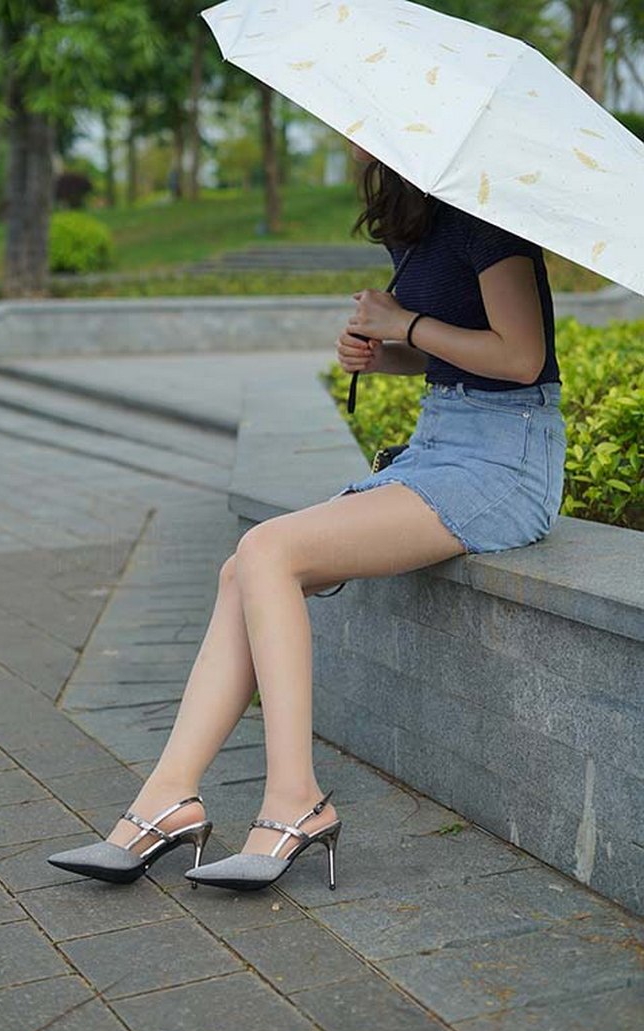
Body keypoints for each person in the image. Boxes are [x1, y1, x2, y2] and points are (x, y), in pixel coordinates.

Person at [47, 142, 567, 893]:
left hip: (505, 461)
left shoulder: (486, 214)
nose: (349, 139)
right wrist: (382, 353)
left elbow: (521, 358)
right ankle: (168, 796)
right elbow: (456, 351)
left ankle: (296, 800)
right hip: (440, 443)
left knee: (268, 549)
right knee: (242, 570)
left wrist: (405, 323)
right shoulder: (416, 212)